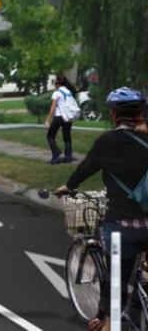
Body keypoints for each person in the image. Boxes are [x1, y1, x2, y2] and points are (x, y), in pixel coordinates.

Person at [55, 87, 148, 331]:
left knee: (115, 279)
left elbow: (85, 168)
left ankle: (108, 323)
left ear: (114, 115)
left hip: (122, 226)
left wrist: (68, 186)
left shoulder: (108, 141)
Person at [46, 75, 79, 164]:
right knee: (67, 136)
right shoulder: (68, 91)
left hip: (59, 117)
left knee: (50, 136)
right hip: (68, 117)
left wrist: (48, 120)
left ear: (57, 84)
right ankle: (68, 157)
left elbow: (53, 108)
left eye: (54, 83)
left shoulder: (57, 93)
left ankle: (56, 154)